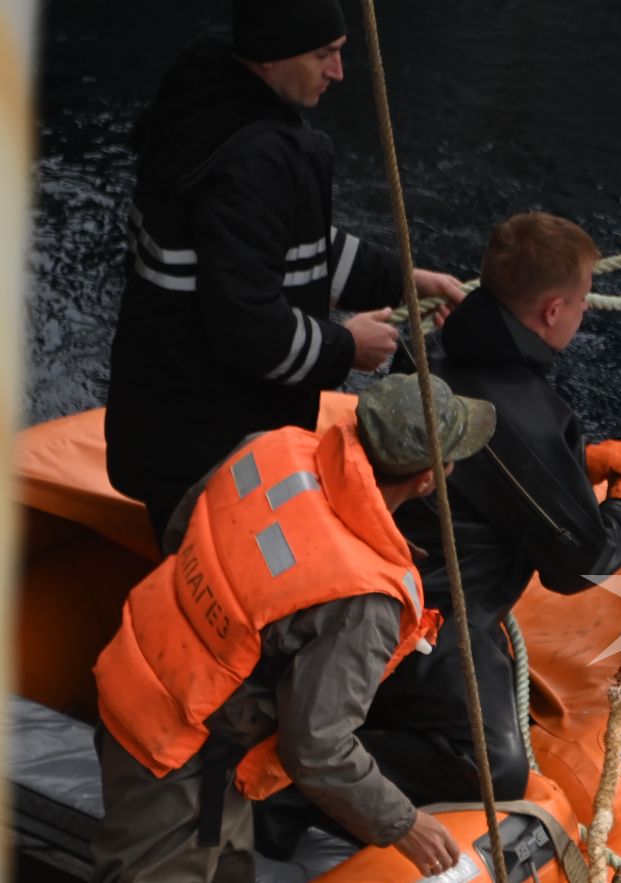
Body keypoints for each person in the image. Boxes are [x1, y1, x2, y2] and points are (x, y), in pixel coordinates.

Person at [5, 373, 495, 883]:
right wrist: (403, 825)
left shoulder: (274, 449)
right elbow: (317, 747)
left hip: (149, 685)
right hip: (176, 753)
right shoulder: (364, 599)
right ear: (425, 479)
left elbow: (185, 530)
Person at [104, 0, 469, 543]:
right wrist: (347, 346)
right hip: (205, 450)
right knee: (235, 583)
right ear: (271, 58)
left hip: (167, 423)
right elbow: (248, 327)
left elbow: (283, 251)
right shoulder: (249, 160)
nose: (338, 72)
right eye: (324, 54)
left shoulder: (205, 111)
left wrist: (403, 281)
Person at [359, 212, 621, 805]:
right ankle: (306, 775)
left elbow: (485, 473)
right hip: (429, 617)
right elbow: (574, 563)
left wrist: (576, 462)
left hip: (380, 572)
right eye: (583, 300)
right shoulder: (526, 413)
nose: (586, 313)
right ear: (553, 310)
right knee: (493, 770)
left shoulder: (432, 355)